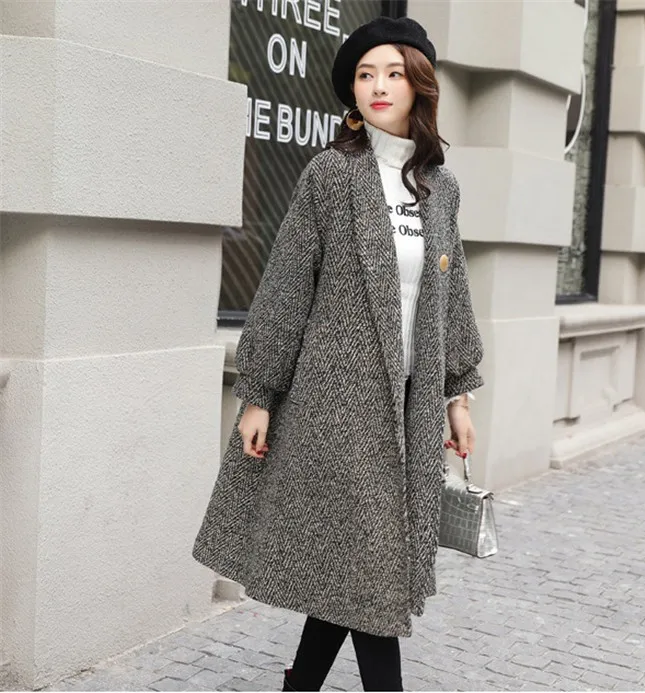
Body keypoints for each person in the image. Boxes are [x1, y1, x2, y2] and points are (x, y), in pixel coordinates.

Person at [192, 15, 484, 693]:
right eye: (364, 74)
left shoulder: (441, 188)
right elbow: (287, 284)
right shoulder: (331, 175)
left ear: (418, 84)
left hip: (409, 411)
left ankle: (300, 683)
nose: (378, 86)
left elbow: (452, 294)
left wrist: (457, 395)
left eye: (393, 73)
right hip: (336, 408)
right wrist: (259, 394)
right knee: (373, 568)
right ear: (352, 91)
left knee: (355, 571)